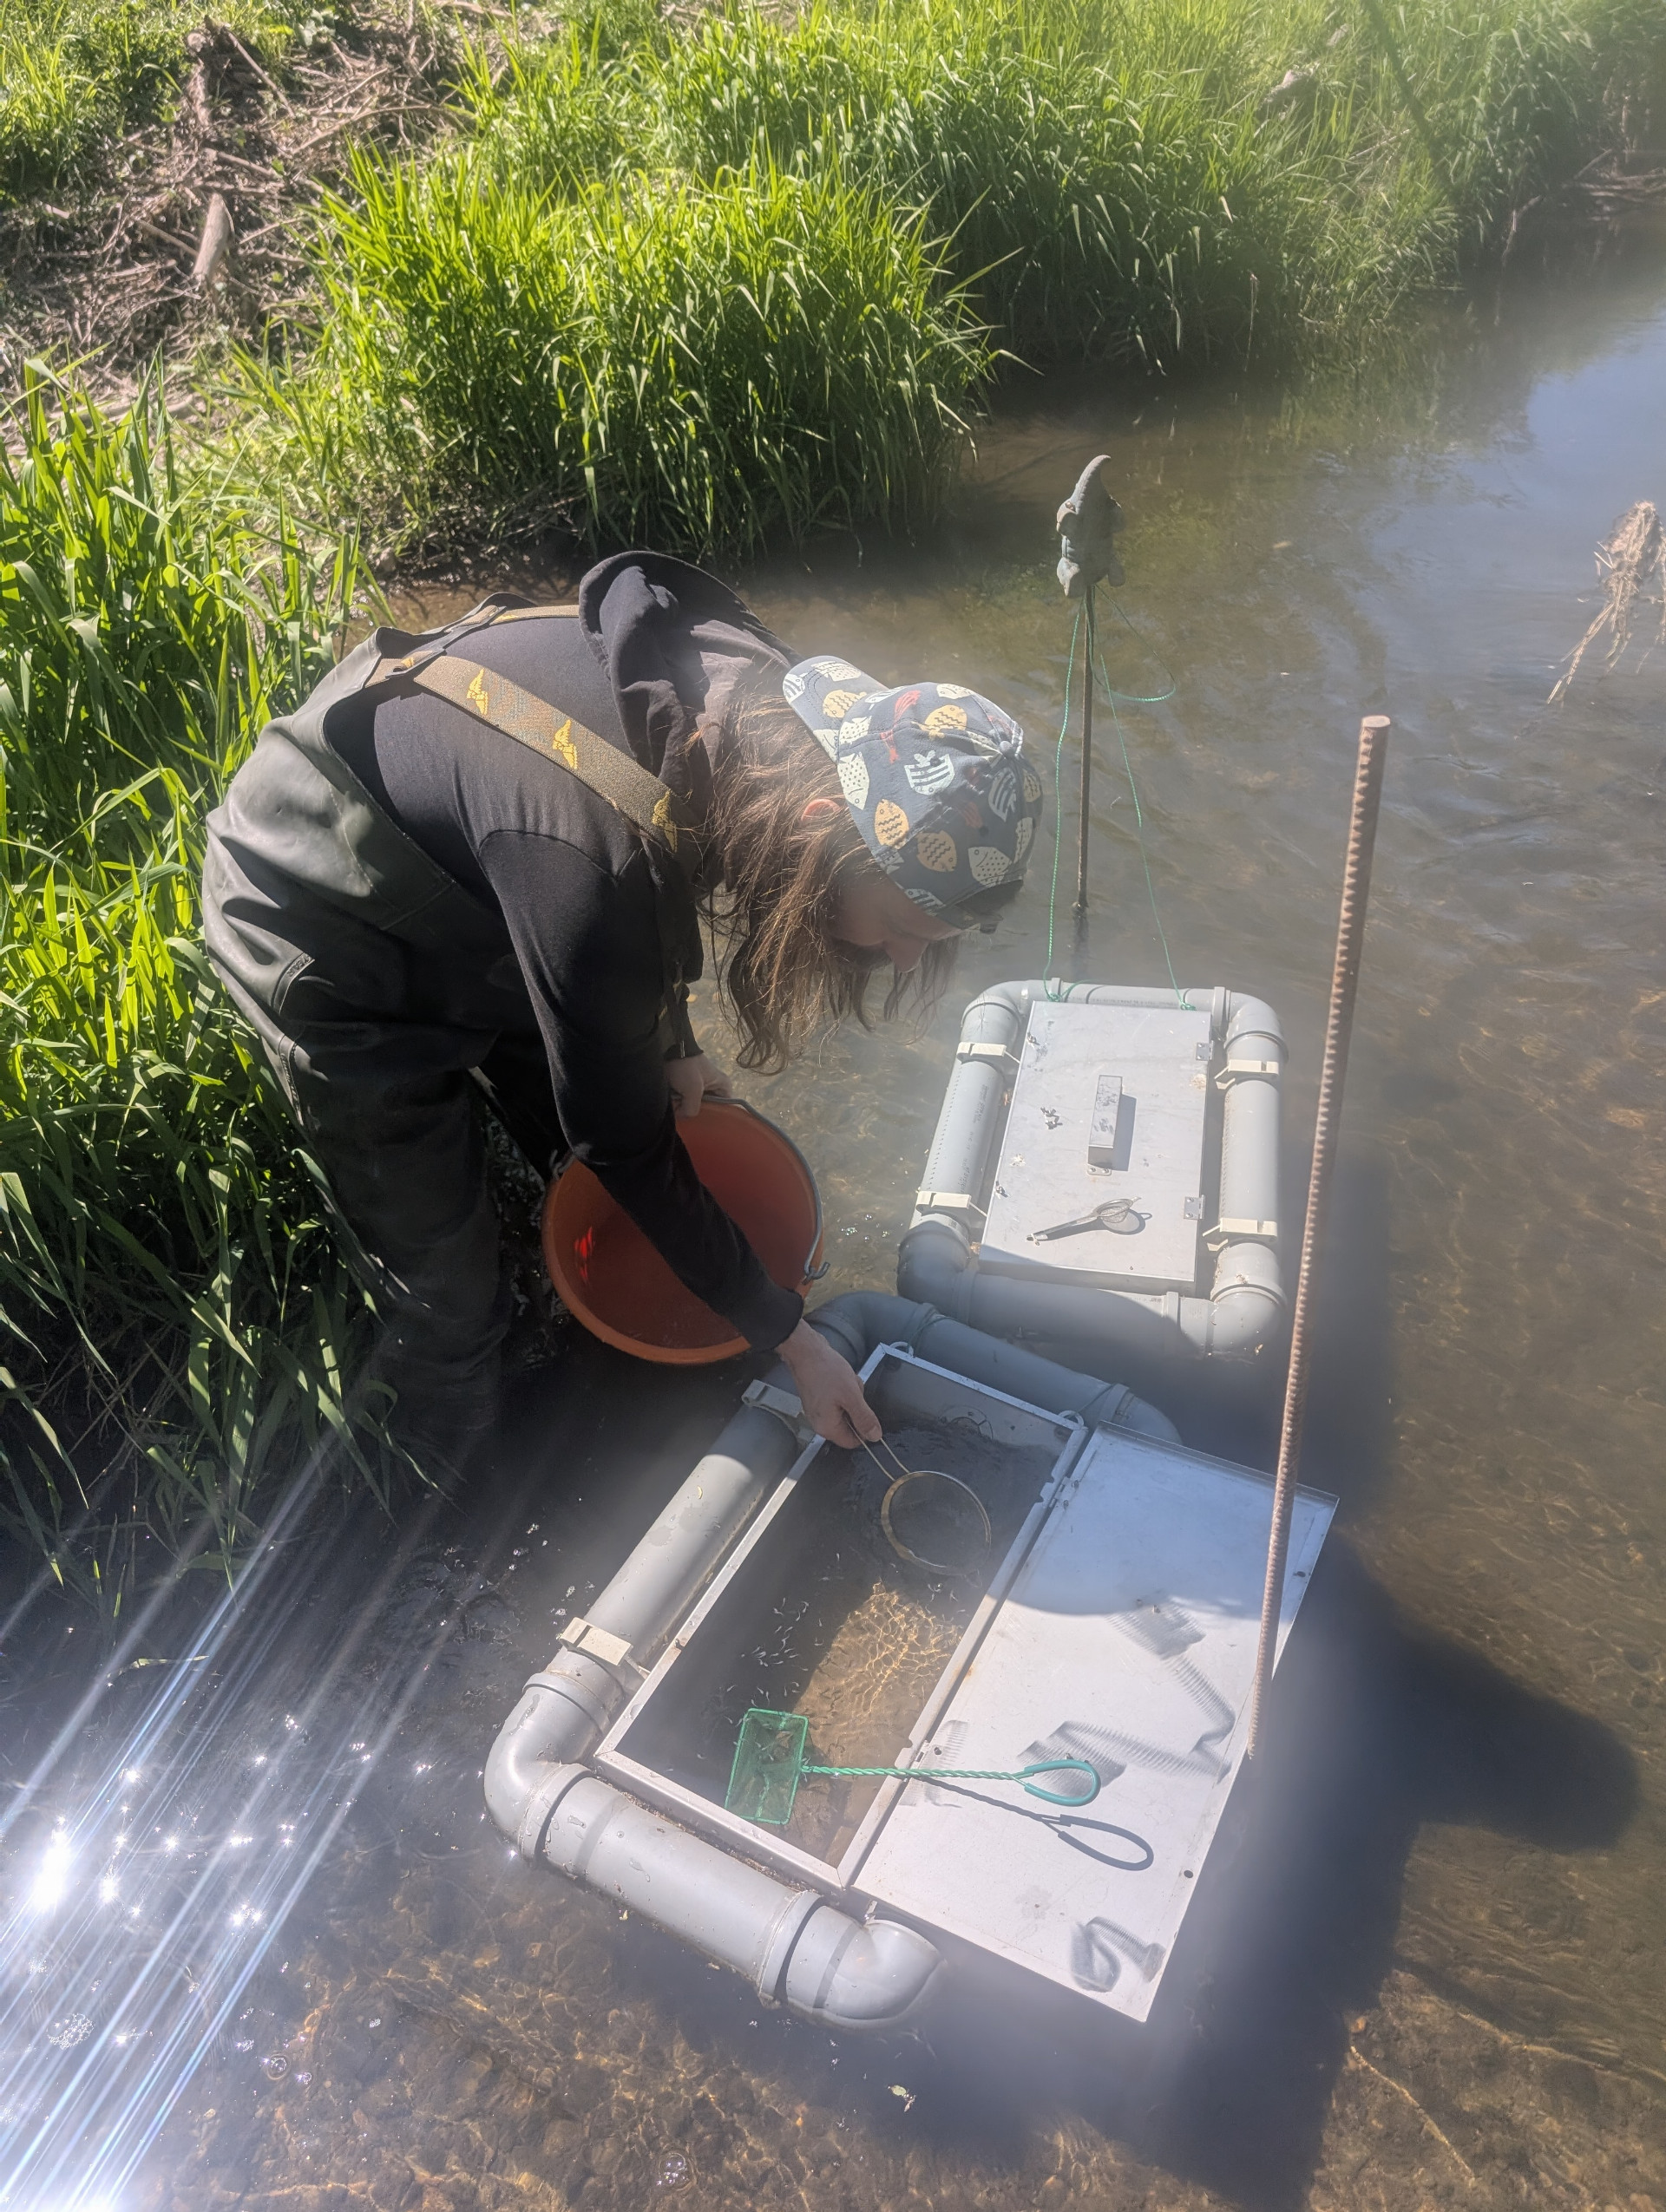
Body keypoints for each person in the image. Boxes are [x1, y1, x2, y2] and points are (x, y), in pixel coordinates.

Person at [202, 553, 1042, 1475]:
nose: (906, 958)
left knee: (593, 1112)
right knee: (453, 1292)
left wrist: (671, 1041)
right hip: (315, 904)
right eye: (901, 927)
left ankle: (554, 1278)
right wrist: (789, 1337)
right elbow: (621, 1131)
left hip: (491, 868)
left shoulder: (781, 716)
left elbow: (655, 862)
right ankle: (436, 1480)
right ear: (815, 824)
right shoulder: (591, 877)